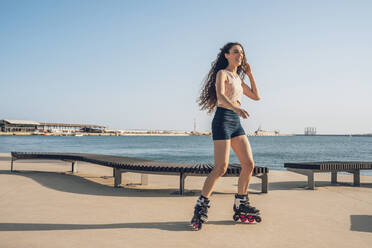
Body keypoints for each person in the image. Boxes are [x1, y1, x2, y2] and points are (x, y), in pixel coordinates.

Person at [191, 42, 261, 230]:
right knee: (221, 167)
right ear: (227, 55)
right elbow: (221, 96)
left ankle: (241, 203)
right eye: (236, 52)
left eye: (242, 53)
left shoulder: (238, 78)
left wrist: (251, 74)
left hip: (235, 122)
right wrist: (236, 107)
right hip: (222, 119)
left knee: (248, 164)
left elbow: (256, 96)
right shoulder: (222, 74)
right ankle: (201, 205)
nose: (240, 55)